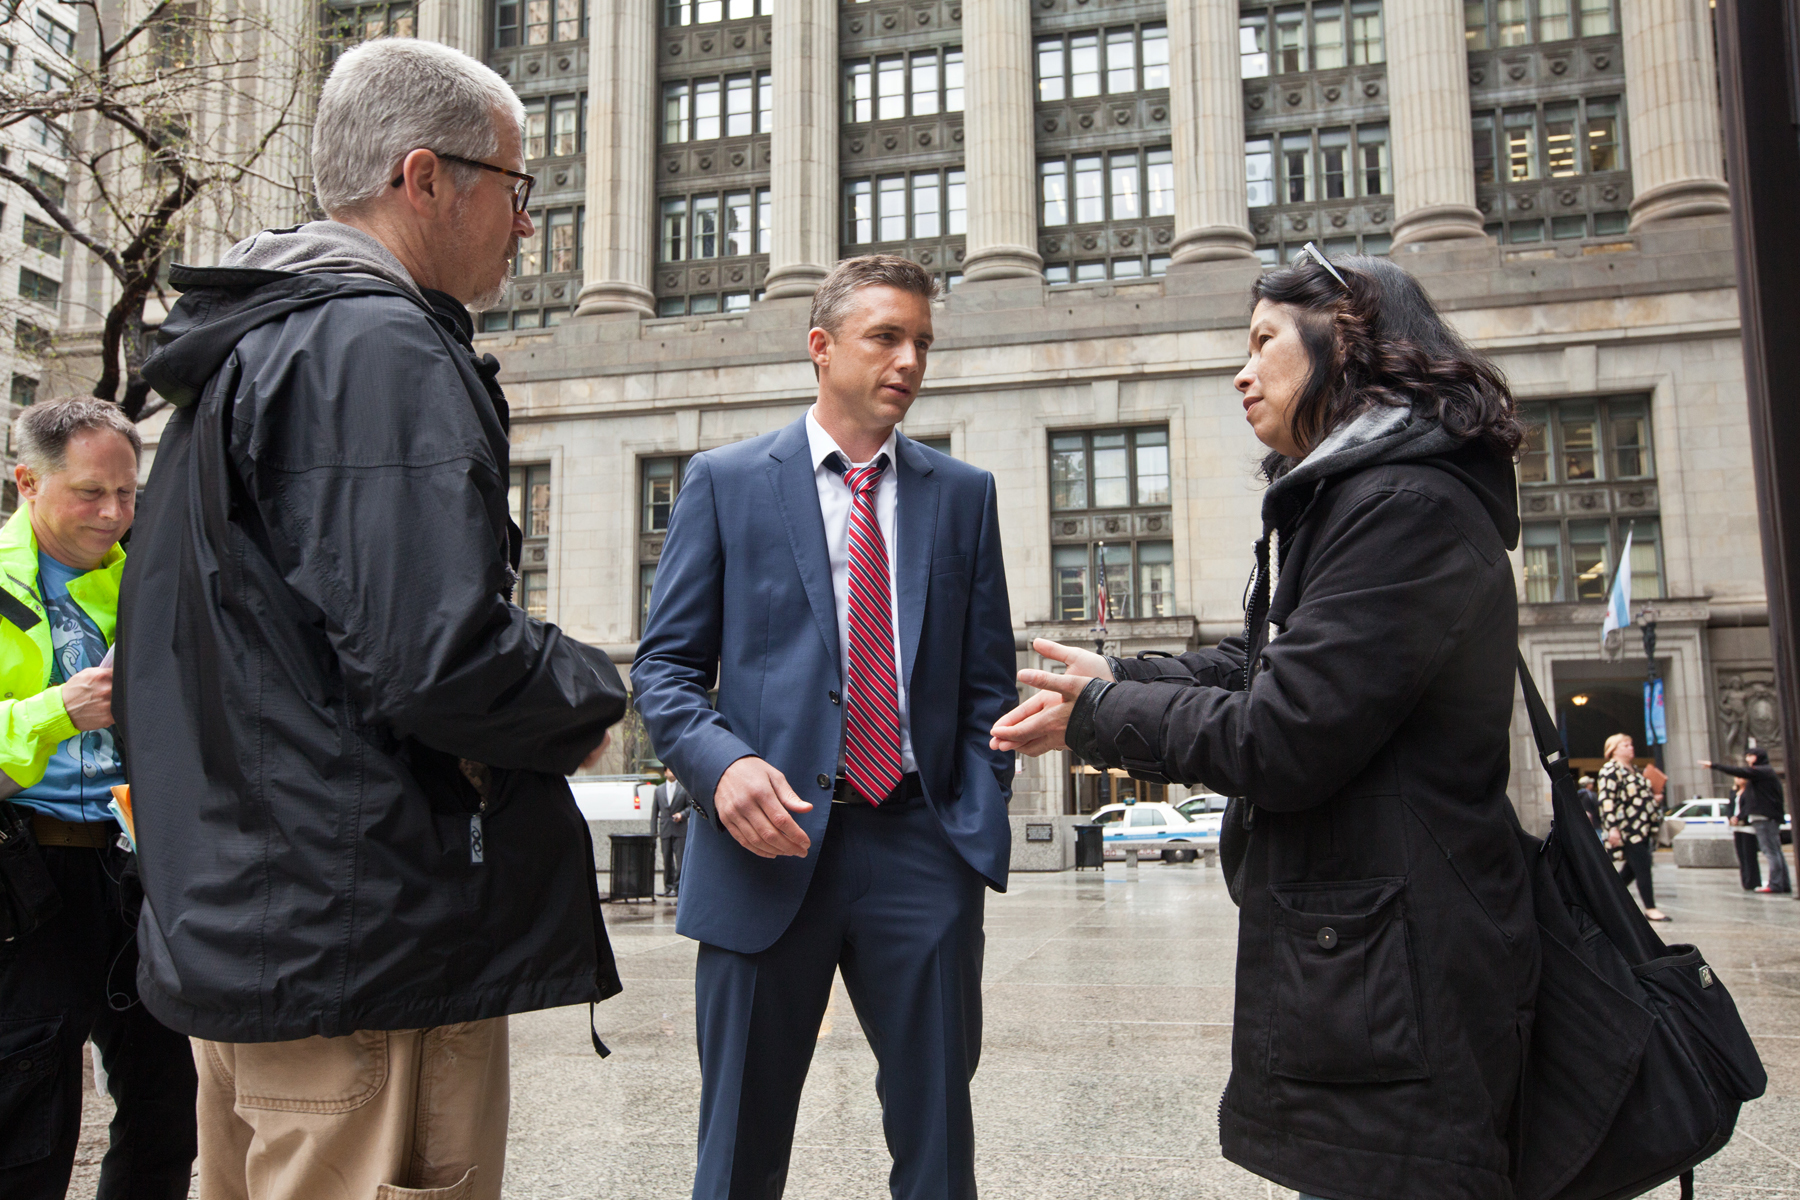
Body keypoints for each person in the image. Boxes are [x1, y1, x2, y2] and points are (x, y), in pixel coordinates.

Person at [116, 39, 629, 1200]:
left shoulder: (249, 345)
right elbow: (433, 652)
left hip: (259, 929)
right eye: (514, 183)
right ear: (424, 177)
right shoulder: (373, 345)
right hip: (361, 939)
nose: (525, 221)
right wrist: (588, 692)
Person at [990, 250, 1538, 1200]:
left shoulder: (1405, 503)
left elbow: (1284, 732)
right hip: (1367, 954)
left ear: (1348, 339)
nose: (1242, 372)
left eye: (1263, 342)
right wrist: (1117, 674)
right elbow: (1271, 667)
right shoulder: (1357, 495)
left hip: (1400, 967)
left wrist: (1105, 715)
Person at [632, 255, 1015, 1200]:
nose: (910, 360)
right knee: (737, 1151)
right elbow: (666, 670)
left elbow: (985, 684)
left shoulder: (963, 495)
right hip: (766, 845)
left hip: (921, 847)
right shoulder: (725, 482)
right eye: (887, 336)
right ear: (821, 347)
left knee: (938, 1147)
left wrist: (970, 812)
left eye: (923, 342)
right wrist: (722, 769)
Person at [0, 399, 197, 1199]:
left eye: (128, 494)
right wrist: (60, 709)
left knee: (167, 1109)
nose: (115, 514)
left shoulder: (151, 579)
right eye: (91, 494)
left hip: (140, 879)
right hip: (24, 882)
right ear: (27, 483)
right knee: (25, 1122)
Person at [1597, 733, 1669, 920]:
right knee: (1643, 866)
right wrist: (1612, 828)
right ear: (1613, 749)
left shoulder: (1634, 770)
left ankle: (1603, 901)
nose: (1631, 748)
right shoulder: (1610, 770)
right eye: (1625, 745)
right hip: (1627, 829)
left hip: (1642, 827)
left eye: (1631, 744)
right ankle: (1650, 908)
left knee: (1631, 870)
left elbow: (1638, 798)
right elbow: (1606, 801)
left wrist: (1655, 799)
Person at [1700, 749, 1792, 894]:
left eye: (1750, 756)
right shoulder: (1765, 772)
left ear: (1757, 757)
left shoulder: (1761, 771)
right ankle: (1782, 883)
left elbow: (1739, 771)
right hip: (1768, 817)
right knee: (1775, 851)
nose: (1747, 759)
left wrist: (1713, 765)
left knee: (1770, 851)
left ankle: (1776, 884)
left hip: (1764, 817)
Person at [652, 767, 692, 896]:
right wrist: (653, 832)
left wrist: (682, 814)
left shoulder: (683, 788)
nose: (672, 773)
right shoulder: (658, 790)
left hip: (680, 829)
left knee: (680, 860)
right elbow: (654, 812)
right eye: (669, 770)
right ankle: (667, 887)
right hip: (665, 829)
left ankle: (677, 887)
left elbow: (691, 807)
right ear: (665, 773)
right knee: (667, 859)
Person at [1727, 774, 1762, 891]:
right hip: (1736, 827)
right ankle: (1745, 881)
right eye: (1736, 777)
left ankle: (1753, 881)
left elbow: (1749, 807)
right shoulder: (1733, 792)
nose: (1738, 779)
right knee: (1741, 854)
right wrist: (1731, 817)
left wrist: (1739, 817)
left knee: (1749, 854)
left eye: (1741, 777)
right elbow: (1730, 807)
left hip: (1747, 826)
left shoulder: (1750, 792)